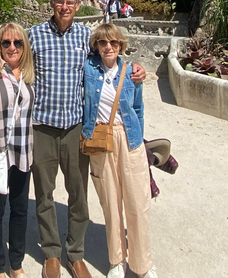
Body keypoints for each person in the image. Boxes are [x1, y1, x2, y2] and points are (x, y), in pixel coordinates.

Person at [28, 0, 146, 278]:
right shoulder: (34, 36)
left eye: (70, 2)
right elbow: (14, 62)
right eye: (60, 1)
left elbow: (111, 61)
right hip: (42, 125)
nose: (65, 7)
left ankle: (75, 253)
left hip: (75, 127)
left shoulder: (85, 37)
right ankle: (51, 253)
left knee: (78, 193)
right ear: (52, 2)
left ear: (78, 6)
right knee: (44, 193)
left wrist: (134, 68)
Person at [82, 24, 156, 278]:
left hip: (129, 138)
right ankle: (117, 260)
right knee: (110, 203)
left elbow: (138, 109)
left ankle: (142, 264)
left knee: (137, 203)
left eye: (113, 42)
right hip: (101, 139)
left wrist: (138, 143)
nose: (108, 47)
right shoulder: (89, 69)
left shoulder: (130, 72)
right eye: (103, 43)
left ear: (121, 45)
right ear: (97, 46)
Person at [0, 23, 36, 278]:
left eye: (18, 43)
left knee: (20, 209)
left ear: (25, 46)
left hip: (23, 151)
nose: (12, 48)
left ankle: (16, 264)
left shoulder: (29, 74)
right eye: (6, 43)